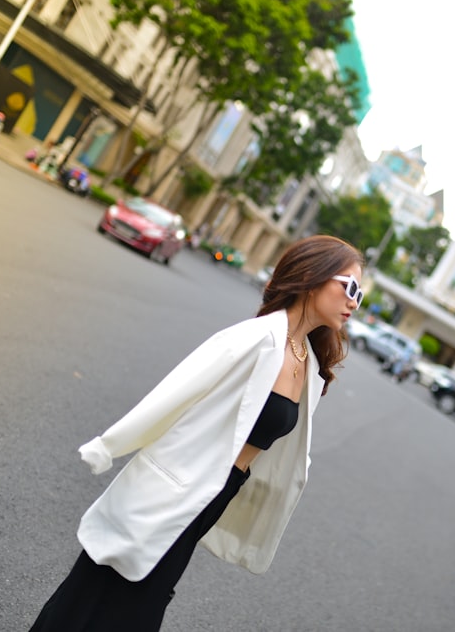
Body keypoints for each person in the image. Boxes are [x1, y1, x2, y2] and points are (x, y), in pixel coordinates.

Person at [29, 235, 365, 631]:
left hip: (215, 495)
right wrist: (109, 446)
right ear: (313, 276)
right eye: (351, 288)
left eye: (361, 296)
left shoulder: (306, 361)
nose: (354, 303)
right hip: (175, 488)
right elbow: (174, 393)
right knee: (110, 596)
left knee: (127, 597)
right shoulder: (255, 339)